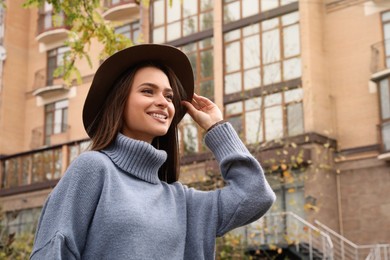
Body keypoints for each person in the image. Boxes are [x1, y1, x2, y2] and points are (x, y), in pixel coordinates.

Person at [30, 44, 276, 260]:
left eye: (169, 96)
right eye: (148, 91)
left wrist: (216, 128)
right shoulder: (94, 168)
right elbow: (53, 249)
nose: (163, 102)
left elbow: (255, 194)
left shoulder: (182, 202)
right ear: (119, 101)